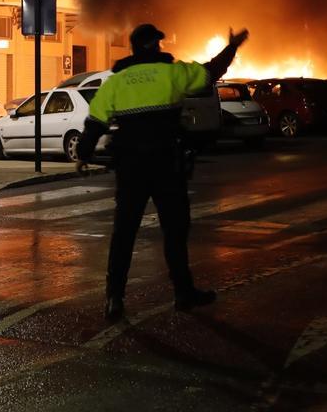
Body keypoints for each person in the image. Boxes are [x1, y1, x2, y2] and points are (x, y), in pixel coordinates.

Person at [75, 23, 249, 322]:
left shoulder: (116, 82)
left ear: (132, 48)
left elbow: (95, 122)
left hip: (131, 168)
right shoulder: (172, 74)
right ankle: (184, 293)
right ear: (156, 46)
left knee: (124, 234)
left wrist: (83, 154)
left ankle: (114, 298)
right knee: (175, 232)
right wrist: (232, 47)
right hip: (166, 166)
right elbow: (211, 72)